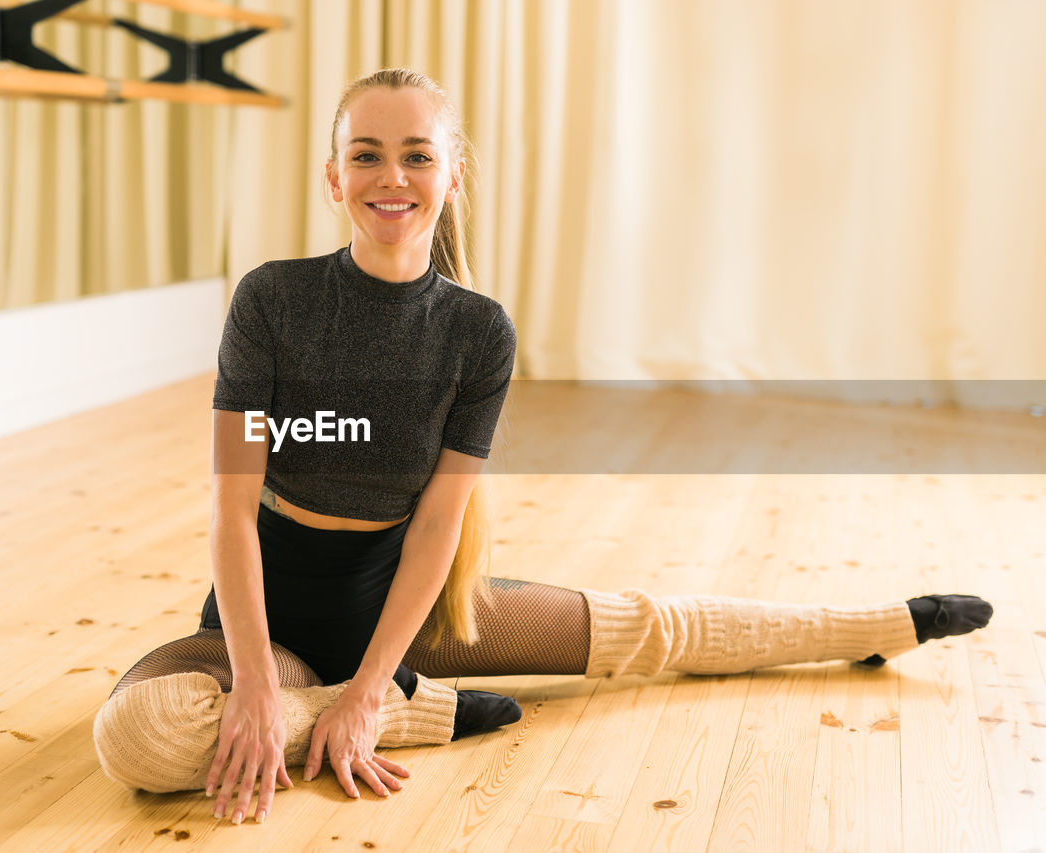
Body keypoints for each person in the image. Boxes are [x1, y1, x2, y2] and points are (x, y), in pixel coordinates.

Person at [91, 68, 993, 826]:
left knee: (649, 628)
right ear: (333, 177)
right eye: (365, 154)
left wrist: (368, 685)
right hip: (267, 617)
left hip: (405, 606)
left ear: (449, 176)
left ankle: (881, 621)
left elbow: (440, 520)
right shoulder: (271, 302)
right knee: (135, 734)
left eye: (417, 155)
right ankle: (423, 714)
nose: (390, 176)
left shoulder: (478, 332)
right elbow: (231, 508)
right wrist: (251, 678)